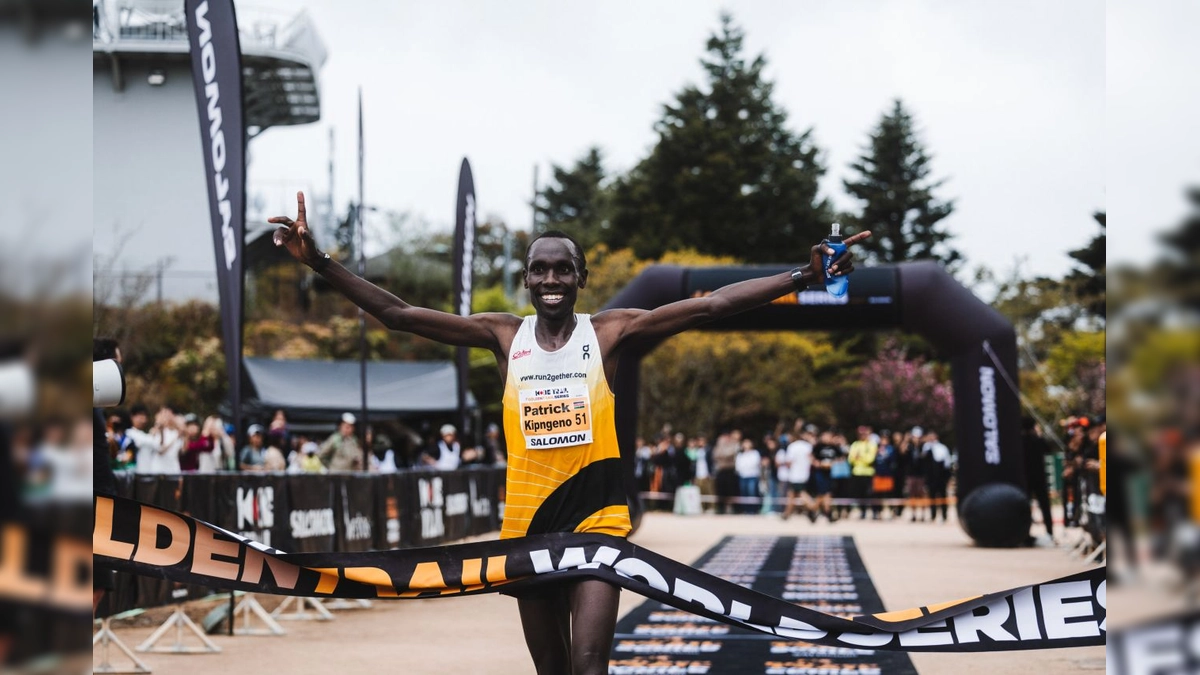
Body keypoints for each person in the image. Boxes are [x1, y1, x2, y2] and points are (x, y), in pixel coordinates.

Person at [270, 191, 865, 675]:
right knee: (552, 669)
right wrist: (320, 262)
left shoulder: (608, 332)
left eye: (563, 268)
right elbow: (399, 316)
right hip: (527, 527)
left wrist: (801, 276)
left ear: (580, 279)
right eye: (539, 268)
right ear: (527, 280)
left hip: (597, 521)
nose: (550, 277)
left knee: (588, 665)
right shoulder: (503, 336)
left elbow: (710, 308)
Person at [1021, 417, 1055, 541]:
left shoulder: (1019, 442)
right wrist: (1039, 434)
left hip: (1025, 478)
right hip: (1039, 477)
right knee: (1045, 506)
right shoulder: (1037, 440)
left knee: (1025, 506)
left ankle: (1024, 533)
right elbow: (1048, 449)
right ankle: (1050, 532)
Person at [782, 426, 815, 521]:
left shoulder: (792, 447)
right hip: (804, 473)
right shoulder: (808, 446)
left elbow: (789, 462)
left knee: (801, 494)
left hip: (795, 474)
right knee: (791, 494)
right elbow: (811, 460)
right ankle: (787, 513)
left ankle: (813, 507)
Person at [922, 430, 953, 522]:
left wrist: (947, 477)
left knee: (942, 495)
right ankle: (933, 515)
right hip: (931, 476)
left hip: (941, 475)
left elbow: (947, 463)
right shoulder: (926, 447)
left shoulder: (942, 448)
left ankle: (944, 515)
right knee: (932, 496)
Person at [847, 425, 878, 519]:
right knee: (859, 494)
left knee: (871, 494)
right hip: (857, 472)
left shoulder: (872, 444)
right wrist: (861, 458)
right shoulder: (855, 444)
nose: (863, 435)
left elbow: (870, 459)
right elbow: (851, 459)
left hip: (868, 472)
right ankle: (863, 512)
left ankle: (874, 512)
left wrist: (859, 457)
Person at [734, 437, 762, 515]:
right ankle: (746, 509)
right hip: (743, 476)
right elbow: (738, 466)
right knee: (744, 493)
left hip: (752, 475)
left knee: (752, 493)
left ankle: (753, 510)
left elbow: (755, 463)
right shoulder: (740, 455)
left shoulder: (755, 453)